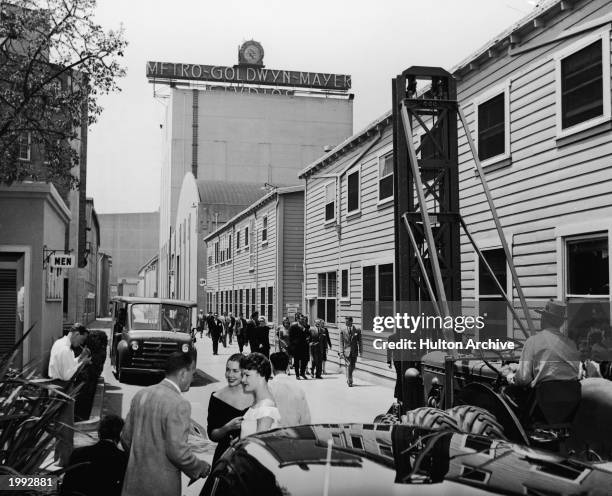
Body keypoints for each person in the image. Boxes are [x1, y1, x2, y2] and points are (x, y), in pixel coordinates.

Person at [121, 352, 210, 496]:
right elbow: (178, 452)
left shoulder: (141, 394)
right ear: (182, 373)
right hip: (161, 488)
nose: (192, 379)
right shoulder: (179, 404)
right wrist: (200, 467)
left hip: (133, 484)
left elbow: (125, 437)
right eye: (192, 374)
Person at [507, 300, 581, 426]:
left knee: (507, 394)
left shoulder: (533, 341)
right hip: (571, 401)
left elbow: (524, 378)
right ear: (561, 322)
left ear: (544, 318)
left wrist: (510, 377)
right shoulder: (571, 344)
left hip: (543, 404)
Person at [48, 323, 92, 466]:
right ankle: (65, 463)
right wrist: (83, 362)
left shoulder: (59, 343)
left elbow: (66, 366)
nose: (80, 343)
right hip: (63, 388)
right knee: (66, 428)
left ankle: (58, 459)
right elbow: (68, 375)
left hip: (55, 386)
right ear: (77, 334)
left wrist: (79, 359)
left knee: (58, 426)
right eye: (81, 340)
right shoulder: (66, 350)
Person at [61, 414, 128, 496]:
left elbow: (67, 484)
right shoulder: (122, 458)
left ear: (99, 433)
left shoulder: (78, 452)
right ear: (119, 435)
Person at [207, 354, 253, 464]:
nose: (230, 375)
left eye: (235, 371)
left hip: (251, 460)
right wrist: (227, 427)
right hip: (225, 460)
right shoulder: (217, 397)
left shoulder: (257, 396)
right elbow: (212, 435)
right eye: (227, 370)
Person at [239, 353, 281, 438]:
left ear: (261, 374)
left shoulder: (265, 410)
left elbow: (258, 449)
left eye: (247, 375)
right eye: (243, 375)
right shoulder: (259, 403)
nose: (243, 380)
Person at [268, 352, 311, 427]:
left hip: (274, 435)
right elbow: (306, 419)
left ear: (272, 366)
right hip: (294, 434)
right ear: (288, 366)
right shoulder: (298, 388)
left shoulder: (268, 388)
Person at [340, 316, 362, 387]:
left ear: (351, 321)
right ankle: (350, 380)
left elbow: (360, 341)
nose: (345, 322)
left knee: (353, 366)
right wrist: (341, 352)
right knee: (349, 365)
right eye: (345, 321)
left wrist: (361, 351)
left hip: (354, 351)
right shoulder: (343, 330)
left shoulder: (357, 330)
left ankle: (349, 376)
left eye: (347, 321)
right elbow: (341, 342)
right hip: (346, 351)